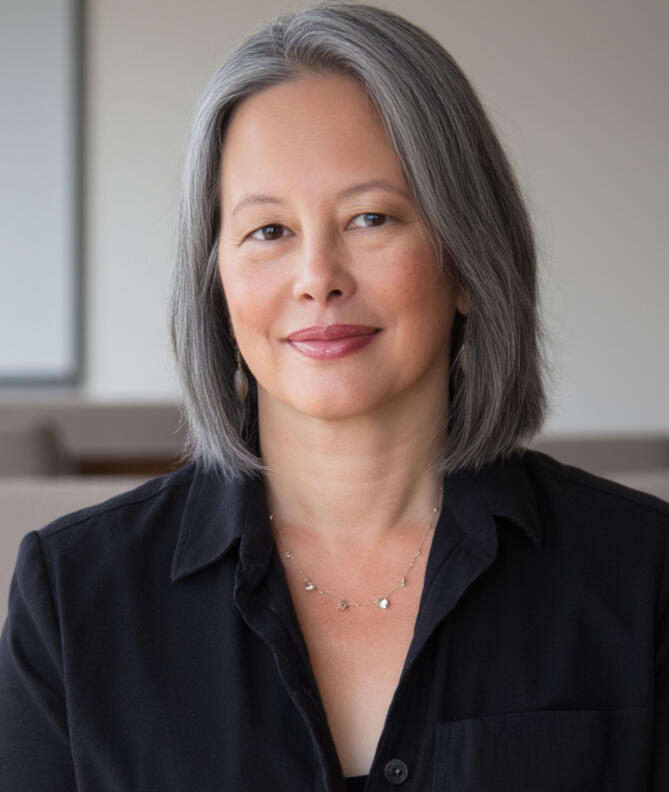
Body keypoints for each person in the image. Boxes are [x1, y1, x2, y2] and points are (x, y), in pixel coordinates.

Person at [1, 3, 668, 790]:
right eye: (268, 231)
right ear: (216, 281)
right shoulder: (74, 595)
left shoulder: (643, 573)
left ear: (466, 258)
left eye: (370, 218)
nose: (318, 277)